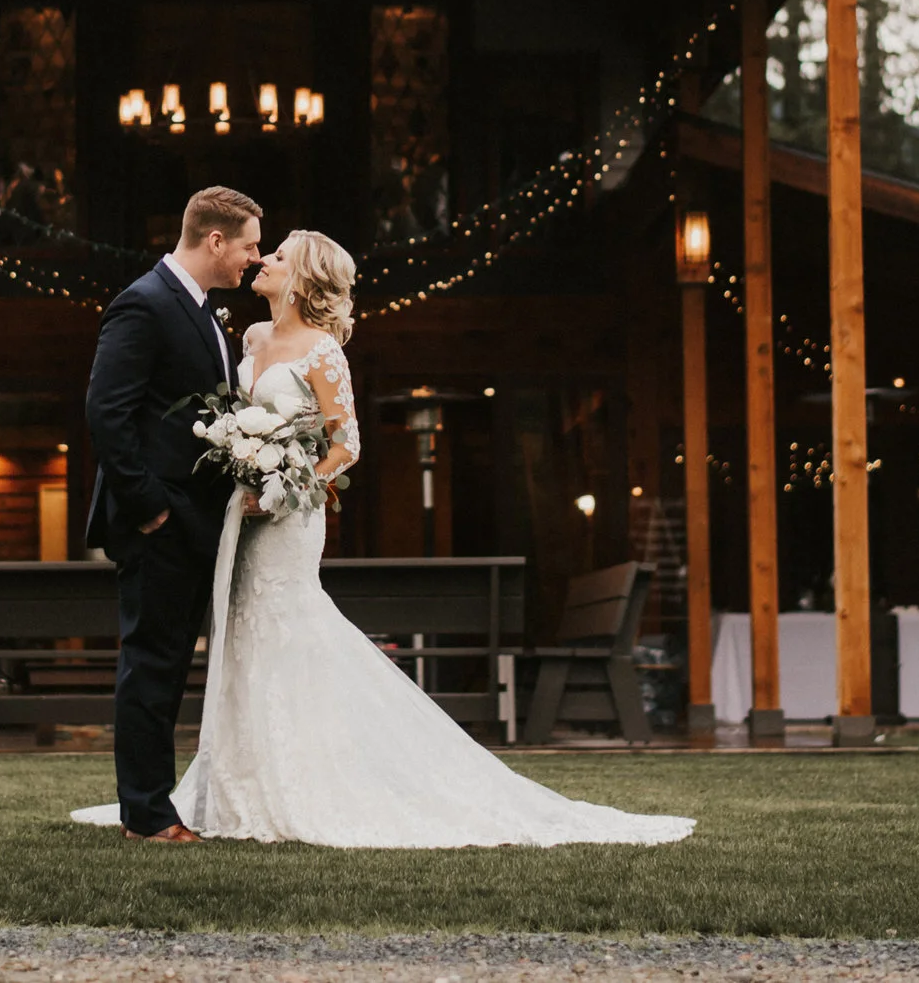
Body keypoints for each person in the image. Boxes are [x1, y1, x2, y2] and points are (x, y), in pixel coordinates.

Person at [75, 229, 694, 849]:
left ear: (304, 279)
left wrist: (286, 486)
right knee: (244, 642)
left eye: (279, 255)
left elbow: (347, 445)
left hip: (286, 518)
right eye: (262, 248)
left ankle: (311, 781)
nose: (263, 259)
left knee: (289, 631)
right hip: (240, 519)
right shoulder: (249, 336)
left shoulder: (323, 352)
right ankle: (241, 781)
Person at [81, 186, 262, 841]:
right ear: (215, 239)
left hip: (195, 521)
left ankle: (152, 804)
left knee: (170, 667)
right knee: (151, 665)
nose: (253, 258)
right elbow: (107, 411)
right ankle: (146, 813)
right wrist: (149, 508)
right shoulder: (144, 302)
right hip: (160, 520)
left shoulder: (206, 311)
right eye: (247, 245)